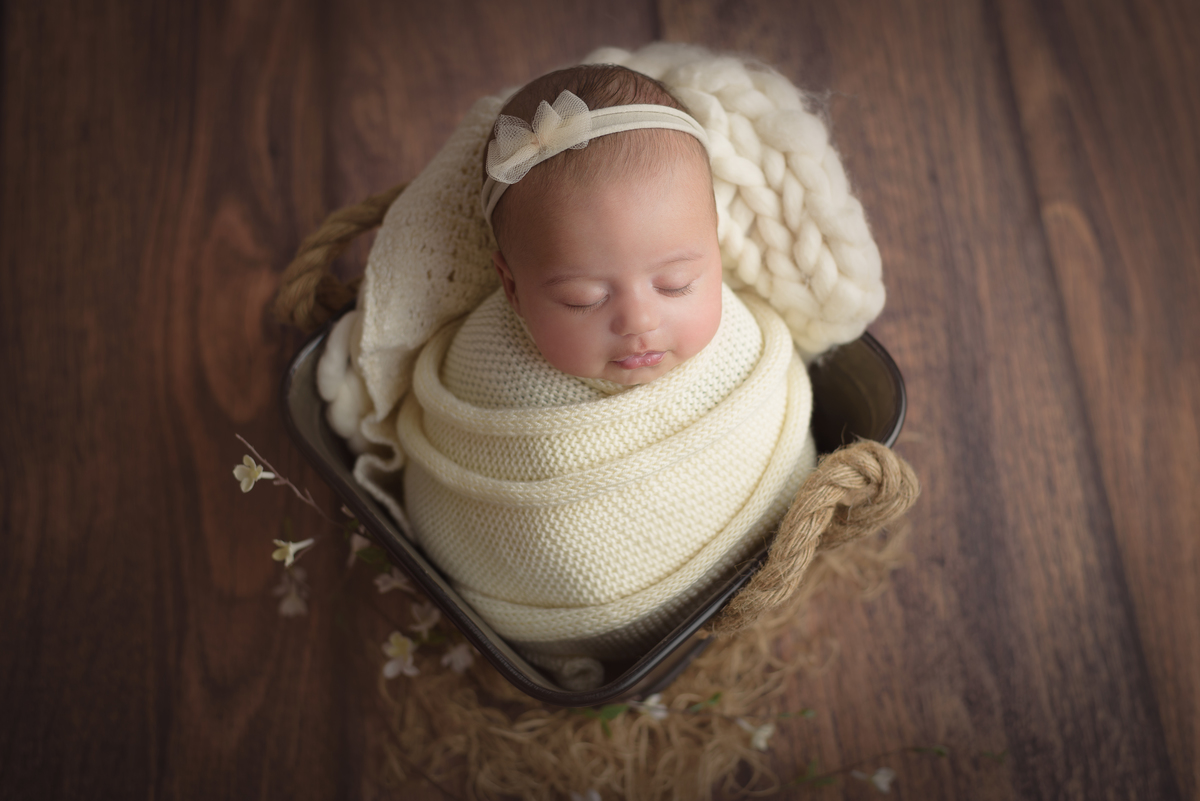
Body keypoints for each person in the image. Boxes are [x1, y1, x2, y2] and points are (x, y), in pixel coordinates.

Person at [393, 64, 817, 689]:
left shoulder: (738, 340)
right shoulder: (485, 362)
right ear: (511, 286)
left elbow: (775, 422)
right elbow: (461, 511)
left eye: (677, 283)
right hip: (547, 599)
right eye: (583, 298)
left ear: (716, 248)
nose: (640, 321)